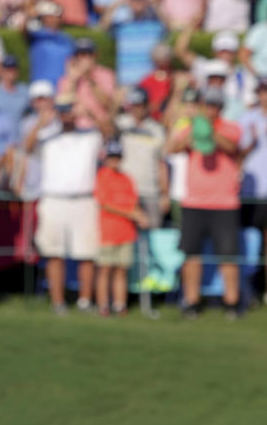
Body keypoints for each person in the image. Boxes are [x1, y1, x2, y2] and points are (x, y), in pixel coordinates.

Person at [24, 94, 111, 314]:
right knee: (54, 253)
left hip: (84, 199)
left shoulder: (90, 135)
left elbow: (110, 132)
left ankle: (84, 301)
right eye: (63, 111)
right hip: (54, 199)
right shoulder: (47, 135)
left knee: (87, 253)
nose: (67, 116)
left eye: (70, 111)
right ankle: (58, 301)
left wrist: (89, 113)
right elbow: (27, 147)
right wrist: (41, 122)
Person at [166, 87, 242, 319]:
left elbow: (232, 147)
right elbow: (172, 148)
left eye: (214, 106)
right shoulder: (192, 126)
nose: (210, 109)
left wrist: (210, 130)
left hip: (225, 203)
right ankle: (191, 302)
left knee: (228, 256)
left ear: (220, 108)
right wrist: (192, 131)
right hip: (194, 202)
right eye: (207, 105)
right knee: (191, 255)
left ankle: (232, 303)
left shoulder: (230, 127)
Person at [94, 140, 149, 316]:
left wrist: (140, 215)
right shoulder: (102, 176)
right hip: (108, 232)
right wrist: (131, 214)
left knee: (121, 270)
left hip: (126, 232)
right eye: (111, 157)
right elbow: (104, 203)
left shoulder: (127, 178)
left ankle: (119, 304)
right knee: (105, 269)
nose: (114, 161)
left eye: (117, 157)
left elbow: (134, 202)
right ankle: (103, 304)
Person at [115, 88, 169, 228]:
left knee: (152, 235)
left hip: (150, 192)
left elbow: (161, 163)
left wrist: (164, 194)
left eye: (141, 105)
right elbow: (106, 124)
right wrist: (115, 102)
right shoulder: (121, 123)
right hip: (125, 192)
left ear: (147, 106)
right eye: (135, 105)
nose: (138, 109)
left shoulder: (157, 129)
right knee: (126, 236)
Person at [239, 79, 267, 303]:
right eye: (263, 91)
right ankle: (249, 290)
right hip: (250, 192)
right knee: (250, 243)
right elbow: (237, 156)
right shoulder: (247, 120)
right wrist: (253, 143)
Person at [25, 0, 74, 85]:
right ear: (44, 18)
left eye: (57, 16)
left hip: (61, 87)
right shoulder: (36, 35)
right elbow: (24, 29)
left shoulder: (67, 39)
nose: (54, 19)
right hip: (41, 87)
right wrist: (30, 15)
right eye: (51, 16)